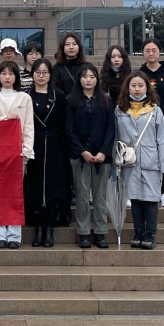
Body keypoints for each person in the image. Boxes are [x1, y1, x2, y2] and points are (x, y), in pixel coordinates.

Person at [115, 71, 164, 249]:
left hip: (150, 161)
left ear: (147, 87)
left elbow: (163, 140)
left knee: (151, 198)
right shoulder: (120, 110)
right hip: (129, 162)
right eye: (133, 85)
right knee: (135, 198)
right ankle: (138, 232)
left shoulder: (155, 110)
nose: (137, 89)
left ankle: (150, 234)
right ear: (127, 87)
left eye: (141, 85)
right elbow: (116, 136)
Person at [65, 64, 115, 249]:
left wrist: (103, 152)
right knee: (82, 196)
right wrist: (82, 151)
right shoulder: (71, 101)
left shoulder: (107, 101)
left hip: (102, 157)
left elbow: (111, 128)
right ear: (79, 79)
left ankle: (101, 233)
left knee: (100, 197)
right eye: (85, 76)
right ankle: (84, 232)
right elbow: (68, 129)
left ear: (97, 79)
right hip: (80, 157)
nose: (88, 80)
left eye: (92, 77)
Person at [0, 61, 34, 249]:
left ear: (16, 77)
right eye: (3, 73)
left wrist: (26, 149)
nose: (7, 77)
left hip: (17, 152)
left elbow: (29, 126)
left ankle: (14, 235)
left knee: (14, 193)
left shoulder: (24, 98)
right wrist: (5, 118)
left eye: (11, 74)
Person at [25, 58, 70, 248]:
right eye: (37, 72)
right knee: (35, 184)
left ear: (50, 75)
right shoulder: (26, 96)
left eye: (45, 72)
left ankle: (50, 227)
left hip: (55, 145)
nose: (41, 76)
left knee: (53, 185)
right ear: (32, 74)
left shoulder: (58, 96)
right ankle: (38, 228)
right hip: (33, 144)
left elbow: (64, 122)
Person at [140, 39, 164, 209]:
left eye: (154, 50)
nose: (151, 53)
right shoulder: (139, 74)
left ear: (160, 51)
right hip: (144, 121)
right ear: (143, 52)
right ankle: (151, 190)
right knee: (148, 157)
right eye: (147, 50)